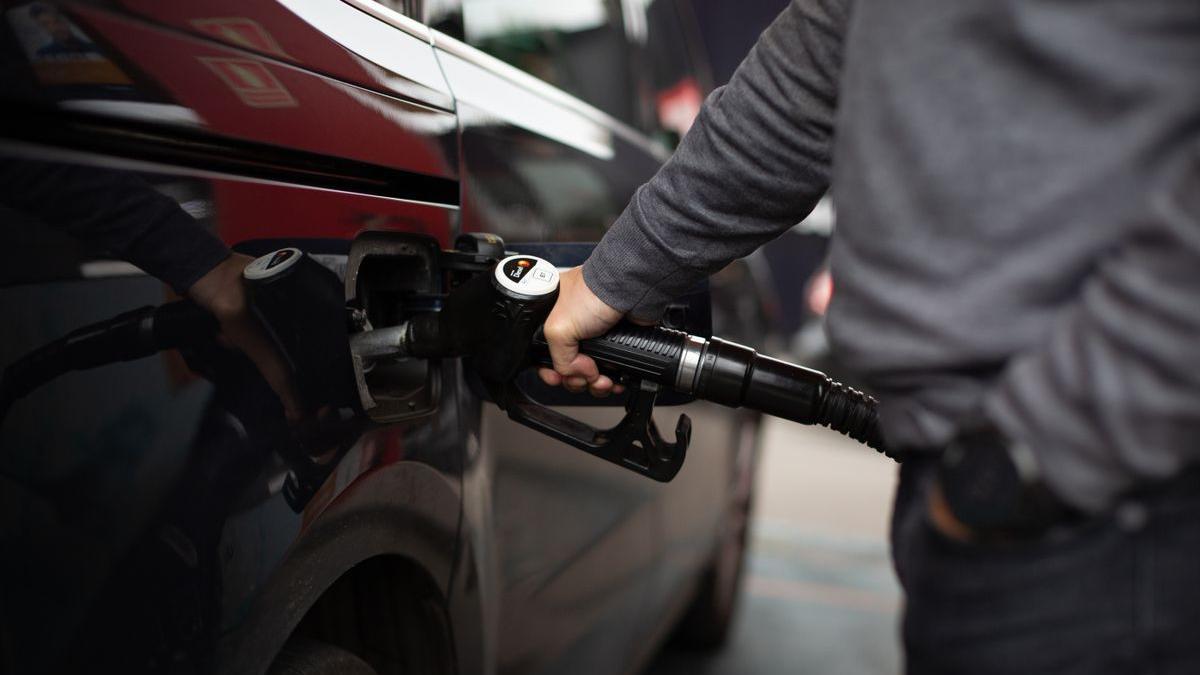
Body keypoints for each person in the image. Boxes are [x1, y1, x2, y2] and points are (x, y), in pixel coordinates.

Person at [537, 1, 1200, 672]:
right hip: (992, 483)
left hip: (1109, 504)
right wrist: (617, 275)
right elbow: (815, 66)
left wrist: (1038, 451)